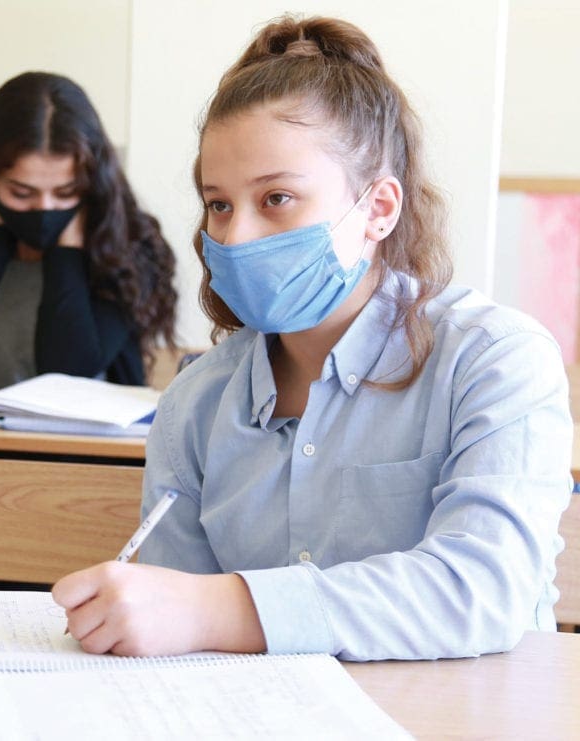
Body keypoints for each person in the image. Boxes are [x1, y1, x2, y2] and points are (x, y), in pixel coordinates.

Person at [52, 15, 573, 662]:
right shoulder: (195, 403)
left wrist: (218, 607)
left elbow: (481, 588)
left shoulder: (495, 359)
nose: (234, 236)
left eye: (276, 198)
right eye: (218, 203)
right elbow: (174, 640)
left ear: (378, 209)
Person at [0, 72, 177, 391]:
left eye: (66, 192)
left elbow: (68, 376)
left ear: (92, 184)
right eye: (21, 193)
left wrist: (67, 253)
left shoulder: (125, 251)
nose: (45, 208)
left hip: (82, 442)